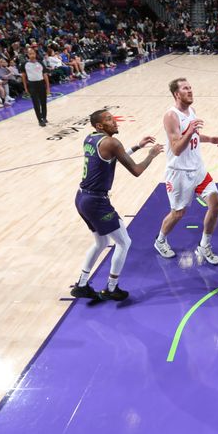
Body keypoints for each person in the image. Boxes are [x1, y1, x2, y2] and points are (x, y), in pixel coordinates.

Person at [71, 109, 163, 301]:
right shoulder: (112, 142)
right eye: (109, 119)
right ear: (99, 126)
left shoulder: (90, 139)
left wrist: (137, 146)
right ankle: (112, 288)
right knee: (124, 242)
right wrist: (151, 155)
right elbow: (136, 170)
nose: (115, 122)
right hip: (96, 202)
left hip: (81, 198)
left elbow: (111, 157)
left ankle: (81, 285)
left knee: (102, 242)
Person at [154, 78, 218, 264]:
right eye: (186, 88)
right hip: (179, 173)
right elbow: (176, 148)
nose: (191, 91)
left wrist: (210, 139)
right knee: (178, 213)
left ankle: (204, 245)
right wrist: (190, 130)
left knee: (216, 204)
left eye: (191, 87)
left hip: (198, 169)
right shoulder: (171, 116)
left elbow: (194, 136)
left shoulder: (191, 111)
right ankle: (160, 241)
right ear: (177, 94)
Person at [21, 47, 50, 126]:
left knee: (43, 102)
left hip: (41, 83)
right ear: (28, 55)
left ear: (35, 54)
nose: (32, 55)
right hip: (32, 85)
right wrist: (25, 88)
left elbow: (45, 75)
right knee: (36, 103)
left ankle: (44, 117)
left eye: (33, 53)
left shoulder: (40, 63)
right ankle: (40, 120)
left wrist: (48, 87)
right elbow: (23, 77)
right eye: (30, 54)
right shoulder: (24, 64)